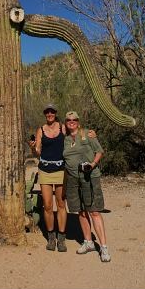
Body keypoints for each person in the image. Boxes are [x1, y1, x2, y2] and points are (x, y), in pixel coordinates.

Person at [27, 103, 96, 252]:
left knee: (60, 204)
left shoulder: (62, 127)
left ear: (55, 113)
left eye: (52, 111)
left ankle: (62, 238)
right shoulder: (41, 130)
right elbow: (37, 152)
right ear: (45, 114)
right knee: (47, 205)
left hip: (61, 170)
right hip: (45, 170)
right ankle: (51, 237)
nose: (50, 114)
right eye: (47, 112)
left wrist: (89, 134)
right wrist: (33, 147)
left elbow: (75, 131)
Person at [62, 110, 111, 262]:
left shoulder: (87, 134)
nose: (72, 122)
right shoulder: (65, 139)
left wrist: (92, 164)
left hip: (90, 177)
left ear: (78, 121)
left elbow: (99, 151)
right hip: (73, 179)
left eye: (74, 119)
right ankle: (88, 242)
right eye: (69, 120)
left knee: (94, 211)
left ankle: (103, 248)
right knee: (81, 211)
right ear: (66, 122)